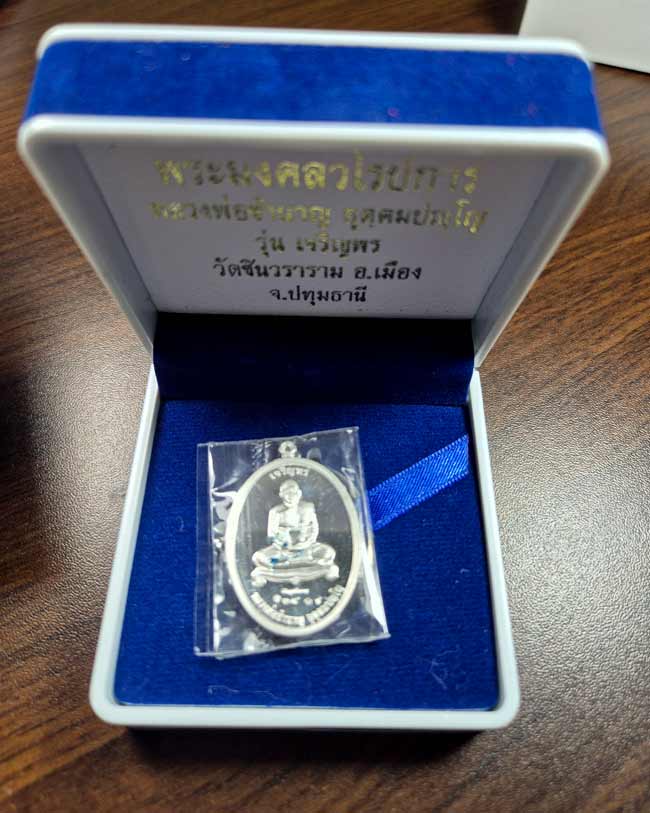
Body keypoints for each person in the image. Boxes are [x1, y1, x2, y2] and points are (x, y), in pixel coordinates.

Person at [251, 479, 338, 587]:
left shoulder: (308, 508)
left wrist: (306, 542)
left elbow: (314, 529)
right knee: (258, 557)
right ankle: (309, 565)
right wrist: (285, 544)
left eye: (293, 493)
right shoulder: (275, 512)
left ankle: (284, 568)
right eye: (287, 494)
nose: (290, 497)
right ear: (281, 495)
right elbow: (272, 535)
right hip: (283, 552)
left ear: (299, 493)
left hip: (307, 548)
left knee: (329, 552)